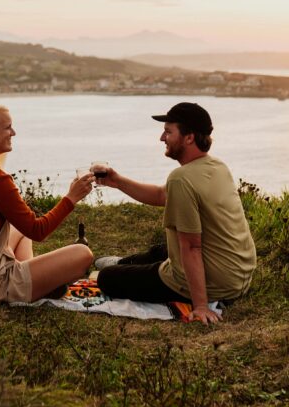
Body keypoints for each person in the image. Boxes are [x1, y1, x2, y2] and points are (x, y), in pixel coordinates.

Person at [95, 102, 256, 324]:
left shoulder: (181, 178)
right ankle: (123, 262)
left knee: (107, 279)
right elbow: (162, 195)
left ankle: (119, 268)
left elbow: (191, 247)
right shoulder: (217, 166)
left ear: (188, 137)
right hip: (237, 275)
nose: (162, 138)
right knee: (161, 250)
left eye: (168, 132)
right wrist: (117, 181)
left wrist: (200, 306)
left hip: (217, 283)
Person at [0, 104, 94, 303]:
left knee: (20, 230)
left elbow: (24, 228)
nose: (13, 132)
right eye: (7, 127)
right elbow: (38, 230)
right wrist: (71, 198)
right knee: (83, 254)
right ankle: (34, 287)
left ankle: (39, 284)